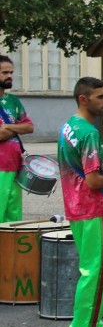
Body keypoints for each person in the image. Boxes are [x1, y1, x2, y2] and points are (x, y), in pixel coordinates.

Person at [57, 77, 103, 327]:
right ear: (84, 99)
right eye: (101, 97)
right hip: (95, 208)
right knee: (97, 273)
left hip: (76, 207)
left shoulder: (69, 125)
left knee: (90, 270)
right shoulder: (89, 133)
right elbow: (94, 180)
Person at [0, 55, 33, 223]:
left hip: (15, 166)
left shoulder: (13, 101)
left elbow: (29, 127)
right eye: (5, 72)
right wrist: (15, 129)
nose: (9, 76)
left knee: (13, 218)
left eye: (11, 72)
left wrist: (8, 127)